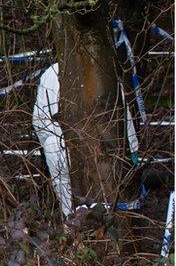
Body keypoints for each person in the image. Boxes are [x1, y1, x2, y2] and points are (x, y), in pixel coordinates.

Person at [33, 63, 138, 218]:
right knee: (104, 200)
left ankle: (75, 234)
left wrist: (49, 144)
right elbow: (122, 115)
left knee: (71, 207)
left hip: (61, 147)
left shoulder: (52, 72)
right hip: (98, 148)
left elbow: (40, 121)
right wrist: (133, 152)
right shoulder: (102, 70)